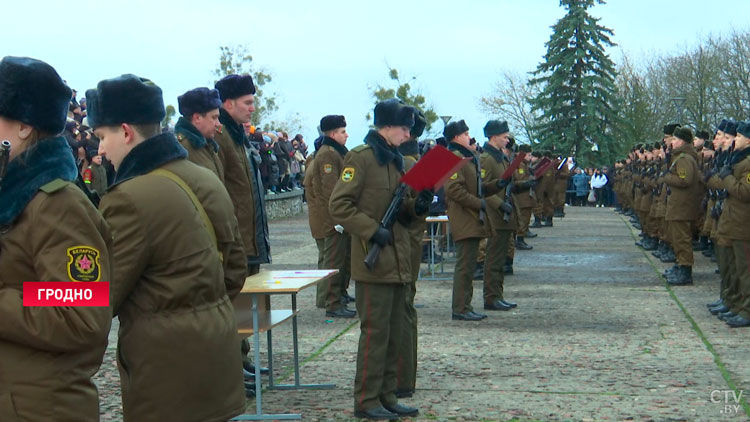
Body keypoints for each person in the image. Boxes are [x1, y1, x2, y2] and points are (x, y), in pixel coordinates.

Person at [88, 74, 246, 421]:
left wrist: (29, 294)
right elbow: (234, 272)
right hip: (218, 361)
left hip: (167, 379)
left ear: (126, 132)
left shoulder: (128, 199)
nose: (99, 149)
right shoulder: (205, 177)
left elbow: (97, 294)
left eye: (102, 136)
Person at [0, 56, 112, 422]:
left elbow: (80, 309)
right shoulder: (13, 196)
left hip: (39, 408)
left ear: (22, 127)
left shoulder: (57, 204)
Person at [330, 99, 430, 420]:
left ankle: (387, 395)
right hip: (374, 263)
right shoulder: (360, 159)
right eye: (404, 127)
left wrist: (420, 204)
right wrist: (373, 231)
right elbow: (340, 206)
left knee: (394, 332)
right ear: (385, 126)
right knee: (375, 335)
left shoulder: (396, 160)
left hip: (399, 260)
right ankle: (366, 399)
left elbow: (403, 213)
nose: (408, 132)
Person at [444, 119, 503, 321]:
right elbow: (454, 190)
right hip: (464, 217)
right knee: (465, 265)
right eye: (466, 133)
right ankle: (460, 308)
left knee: (468, 265)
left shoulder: (468, 157)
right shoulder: (452, 157)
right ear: (456, 137)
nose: (469, 136)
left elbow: (476, 187)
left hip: (472, 217)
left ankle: (465, 306)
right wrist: (480, 204)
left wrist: (497, 184)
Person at [313, 114, 355, 317]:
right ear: (332, 133)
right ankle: (332, 303)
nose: (346, 135)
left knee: (343, 259)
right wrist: (339, 218)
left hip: (339, 217)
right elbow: (331, 189)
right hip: (333, 219)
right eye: (342, 131)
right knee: (333, 261)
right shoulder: (328, 155)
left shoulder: (337, 152)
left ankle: (339, 295)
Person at [479, 120, 519, 311]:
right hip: (496, 215)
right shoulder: (487, 158)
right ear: (493, 137)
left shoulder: (501, 157)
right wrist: (500, 204)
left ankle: (498, 294)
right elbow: (484, 188)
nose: (507, 139)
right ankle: (491, 297)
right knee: (494, 258)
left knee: (501, 257)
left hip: (505, 215)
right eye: (504, 136)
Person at [715, 121, 750, 327]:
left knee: (745, 272)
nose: (735, 139)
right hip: (734, 223)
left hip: (744, 225)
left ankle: (746, 311)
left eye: (738, 136)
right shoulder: (738, 160)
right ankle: (737, 305)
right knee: (736, 270)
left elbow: (745, 192)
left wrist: (727, 178)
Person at [663, 127, 701, 285]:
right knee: (677, 239)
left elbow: (685, 180)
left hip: (682, 207)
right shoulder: (679, 157)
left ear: (683, 141)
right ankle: (680, 266)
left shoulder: (684, 158)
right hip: (678, 206)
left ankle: (685, 270)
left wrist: (668, 177)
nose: (672, 142)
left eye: (675, 139)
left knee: (682, 239)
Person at [175, 87, 224, 180]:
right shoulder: (182, 149)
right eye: (214, 117)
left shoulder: (208, 145)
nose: (218, 124)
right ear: (197, 118)